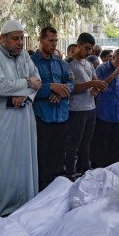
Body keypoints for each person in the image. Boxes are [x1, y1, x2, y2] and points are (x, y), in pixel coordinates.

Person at [0, 20, 42, 217]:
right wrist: (26, 83)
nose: (20, 43)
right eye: (15, 38)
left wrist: (25, 94)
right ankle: (4, 208)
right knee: (5, 164)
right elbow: (1, 87)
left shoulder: (23, 55)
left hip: (24, 116)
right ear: (2, 39)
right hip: (2, 121)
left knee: (26, 160)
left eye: (22, 38)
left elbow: (38, 80)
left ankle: (26, 204)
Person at [31, 27, 74, 189]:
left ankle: (55, 191)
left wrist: (62, 92)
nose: (54, 44)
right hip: (42, 118)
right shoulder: (31, 63)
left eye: (56, 40)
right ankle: (42, 191)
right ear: (41, 40)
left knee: (57, 158)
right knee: (42, 158)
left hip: (61, 117)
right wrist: (50, 87)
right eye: (50, 40)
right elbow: (29, 89)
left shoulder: (60, 62)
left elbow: (70, 82)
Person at [64, 33, 107, 178]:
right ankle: (70, 172)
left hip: (90, 109)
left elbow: (95, 82)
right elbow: (71, 88)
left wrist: (97, 88)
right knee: (73, 144)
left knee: (87, 143)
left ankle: (85, 170)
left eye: (91, 50)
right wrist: (92, 84)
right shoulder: (68, 64)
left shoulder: (88, 64)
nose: (89, 52)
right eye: (87, 49)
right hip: (76, 110)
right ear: (79, 45)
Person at [91, 48, 119, 167]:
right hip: (104, 114)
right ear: (113, 57)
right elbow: (97, 88)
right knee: (102, 147)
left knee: (116, 148)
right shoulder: (101, 68)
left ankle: (113, 170)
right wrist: (114, 74)